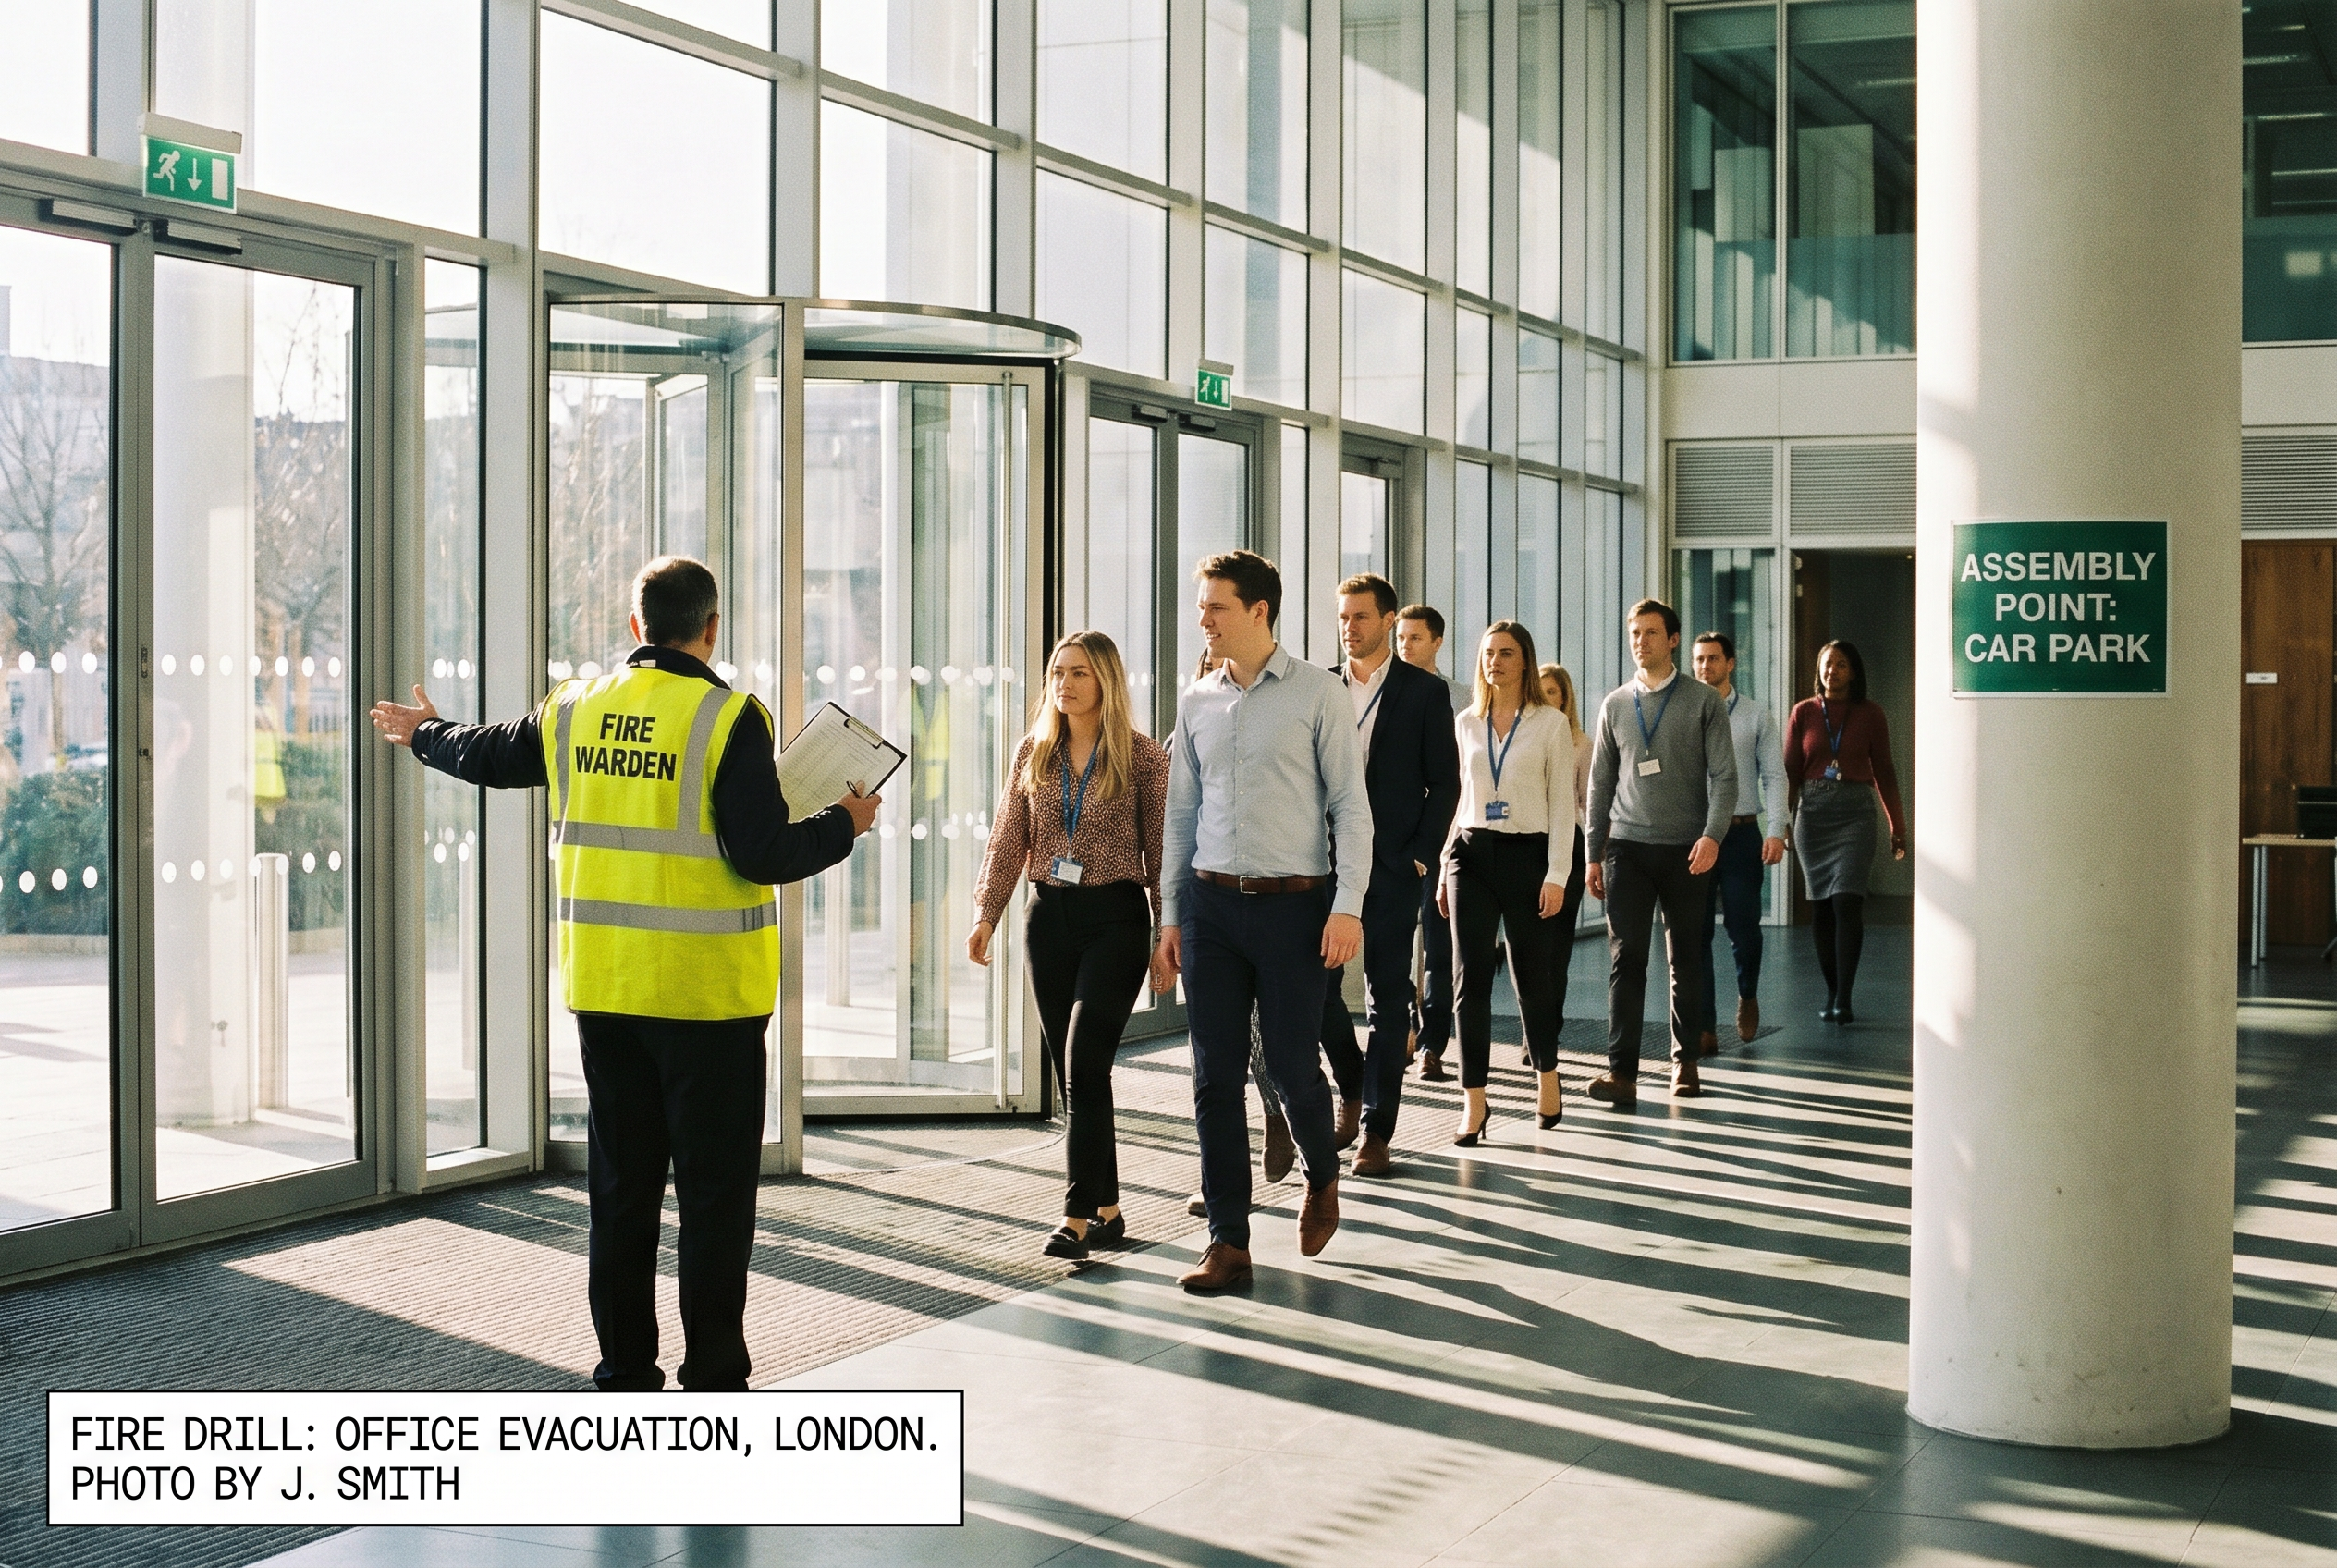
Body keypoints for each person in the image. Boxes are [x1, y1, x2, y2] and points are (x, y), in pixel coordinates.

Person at [369, 556, 879, 1390]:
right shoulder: (728, 718)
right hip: (708, 1000)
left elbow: (490, 754)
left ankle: (625, 1369)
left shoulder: (575, 707)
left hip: (606, 995)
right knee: (713, 1200)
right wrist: (844, 821)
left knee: (623, 1191)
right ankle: (713, 1368)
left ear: (635, 626)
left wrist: (426, 731)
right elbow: (764, 852)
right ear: (711, 627)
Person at [1152, 550, 1371, 1293]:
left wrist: (1347, 907)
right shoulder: (1196, 701)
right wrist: (1172, 917)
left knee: (1289, 1065)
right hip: (1212, 906)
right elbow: (1181, 816)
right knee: (1213, 1077)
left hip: (1294, 908)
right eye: (1201, 605)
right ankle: (1227, 1241)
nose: (1202, 619)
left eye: (1214, 606)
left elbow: (1351, 807)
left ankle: (1321, 1169)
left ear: (1258, 612)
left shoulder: (1318, 693)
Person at [970, 631, 1168, 1261]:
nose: (1066, 684)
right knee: (1074, 1075)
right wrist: (986, 913)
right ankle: (1109, 1208)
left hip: (1115, 918)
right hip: (1046, 917)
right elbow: (1008, 837)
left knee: (1086, 1064)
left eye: (1080, 672)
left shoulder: (1141, 758)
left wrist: (1168, 932)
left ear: (1106, 680)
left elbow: (1163, 851)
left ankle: (1076, 1216)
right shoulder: (1035, 752)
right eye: (1058, 672)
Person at [1314, 576, 1462, 1177]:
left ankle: (1377, 1129)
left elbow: (1445, 783)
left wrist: (1421, 856)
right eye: (1343, 617)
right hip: (1322, 864)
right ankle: (1352, 1084)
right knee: (1320, 991)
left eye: (1361, 617)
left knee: (1388, 996)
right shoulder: (1319, 687)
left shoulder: (1423, 693)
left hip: (1394, 864)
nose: (1350, 627)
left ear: (1388, 619)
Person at [1584, 599, 1738, 1109]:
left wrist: (1713, 835)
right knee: (1626, 960)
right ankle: (1621, 1073)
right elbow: (1600, 781)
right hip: (1626, 848)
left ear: (1673, 640)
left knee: (1684, 958)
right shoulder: (1615, 705)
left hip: (1687, 849)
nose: (1641, 641)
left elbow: (1725, 775)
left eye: (1651, 633)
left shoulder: (1702, 701)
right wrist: (1592, 852)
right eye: (1634, 633)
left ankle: (1685, 1062)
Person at [1439, 623, 1578, 1141]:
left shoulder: (1549, 724)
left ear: (1525, 661)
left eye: (1506, 653)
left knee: (1530, 978)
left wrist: (1558, 874)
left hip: (1528, 856)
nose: (1495, 661)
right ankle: (1473, 1100)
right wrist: (1444, 858)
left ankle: (1547, 1074)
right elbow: (1464, 796)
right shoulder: (1466, 723)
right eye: (1488, 653)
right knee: (1467, 980)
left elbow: (1563, 807)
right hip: (1470, 855)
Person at [1784, 638, 1906, 1024]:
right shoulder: (1803, 712)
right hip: (1813, 815)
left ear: (1853, 672)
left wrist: (1897, 826)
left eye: (1840, 664)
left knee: (1846, 902)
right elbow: (1788, 772)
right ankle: (1831, 990)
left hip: (1855, 815)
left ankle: (1845, 997)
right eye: (1826, 663)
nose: (1831, 671)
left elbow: (1884, 772)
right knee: (1821, 906)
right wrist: (1781, 823)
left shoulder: (1871, 714)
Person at [1689, 632, 1788, 1052]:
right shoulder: (1685, 712)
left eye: (1713, 659)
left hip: (1741, 832)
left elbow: (1774, 776)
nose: (1704, 667)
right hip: (1695, 836)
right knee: (1694, 934)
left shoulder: (1755, 715)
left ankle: (1747, 994)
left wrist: (1776, 829)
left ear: (1730, 664)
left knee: (1743, 926)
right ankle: (1706, 1024)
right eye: (1698, 660)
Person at [1398, 605, 1470, 1084]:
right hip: (1394, 841)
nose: (1405, 646)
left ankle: (1431, 1046)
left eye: (1415, 639)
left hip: (1444, 840)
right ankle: (1403, 1025)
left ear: (1437, 642)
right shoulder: (1382, 693)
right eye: (1400, 638)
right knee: (1394, 942)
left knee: (1439, 945)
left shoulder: (1462, 699)